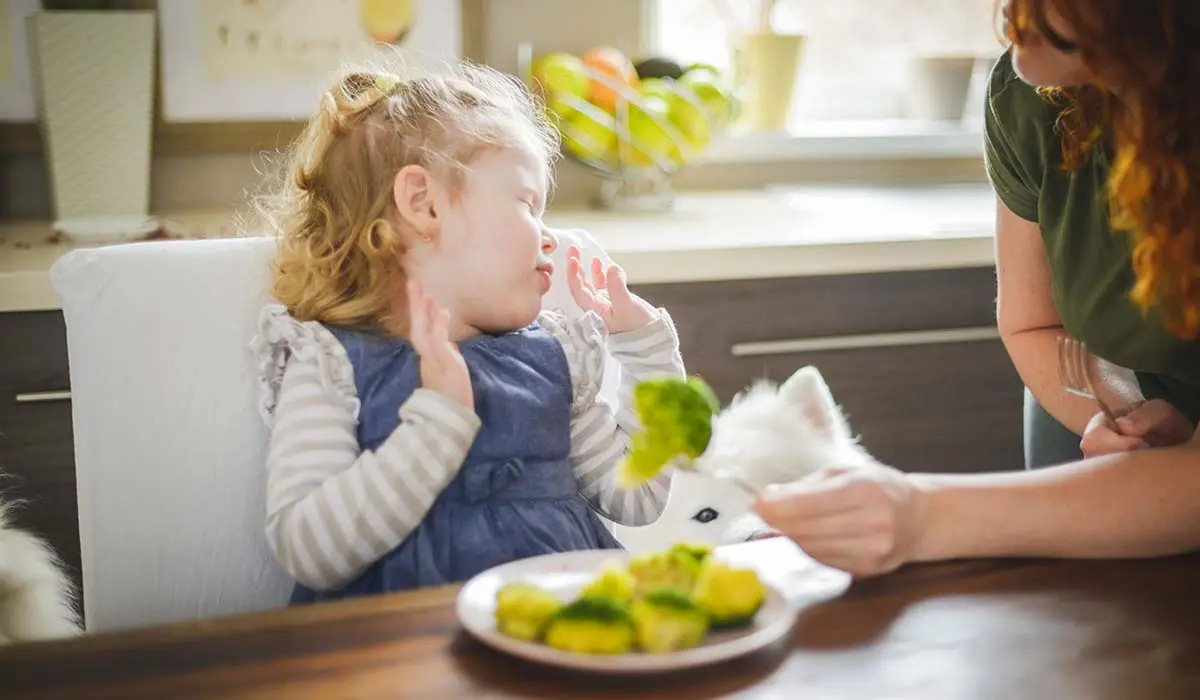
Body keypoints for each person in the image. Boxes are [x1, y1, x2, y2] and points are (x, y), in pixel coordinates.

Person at [753, 0, 1200, 575]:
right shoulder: (1032, 100)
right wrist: (1122, 413)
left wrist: (920, 516)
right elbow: (1033, 324)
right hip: (1105, 436)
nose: (1015, 28)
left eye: (1051, 21)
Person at [249, 64, 684, 603]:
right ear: (424, 205)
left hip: (560, 641)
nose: (549, 238)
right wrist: (437, 422)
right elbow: (308, 551)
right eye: (527, 204)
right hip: (401, 659)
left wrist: (647, 355)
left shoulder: (556, 360)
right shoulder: (330, 362)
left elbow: (638, 498)